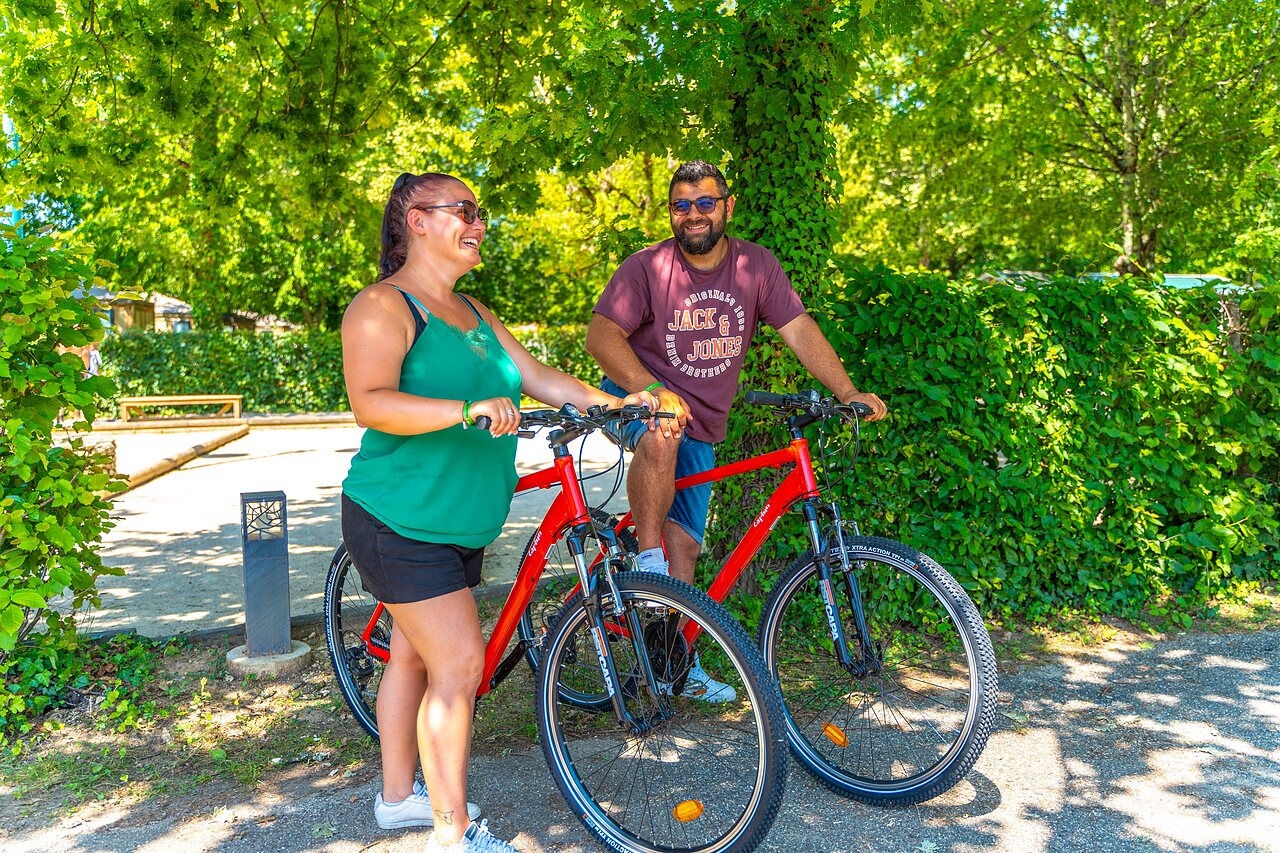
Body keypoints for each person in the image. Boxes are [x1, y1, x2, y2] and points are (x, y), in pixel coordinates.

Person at [341, 171, 656, 852]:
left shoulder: (476, 313)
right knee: (458, 664)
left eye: (479, 211)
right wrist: (465, 409)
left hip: (459, 520)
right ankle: (452, 837)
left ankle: (398, 799)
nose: (478, 222)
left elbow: (538, 377)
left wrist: (617, 403)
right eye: (463, 210)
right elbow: (370, 400)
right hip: (397, 517)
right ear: (415, 220)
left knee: (410, 657)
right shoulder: (382, 306)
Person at [585, 160, 888, 702]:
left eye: (705, 202)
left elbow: (798, 328)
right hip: (637, 398)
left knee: (688, 549)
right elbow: (602, 336)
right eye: (681, 205)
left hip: (702, 420)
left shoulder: (756, 265)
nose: (694, 214)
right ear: (670, 213)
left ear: (727, 205)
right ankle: (647, 569)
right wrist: (651, 390)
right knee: (660, 435)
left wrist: (847, 393)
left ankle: (673, 664)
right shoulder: (648, 267)